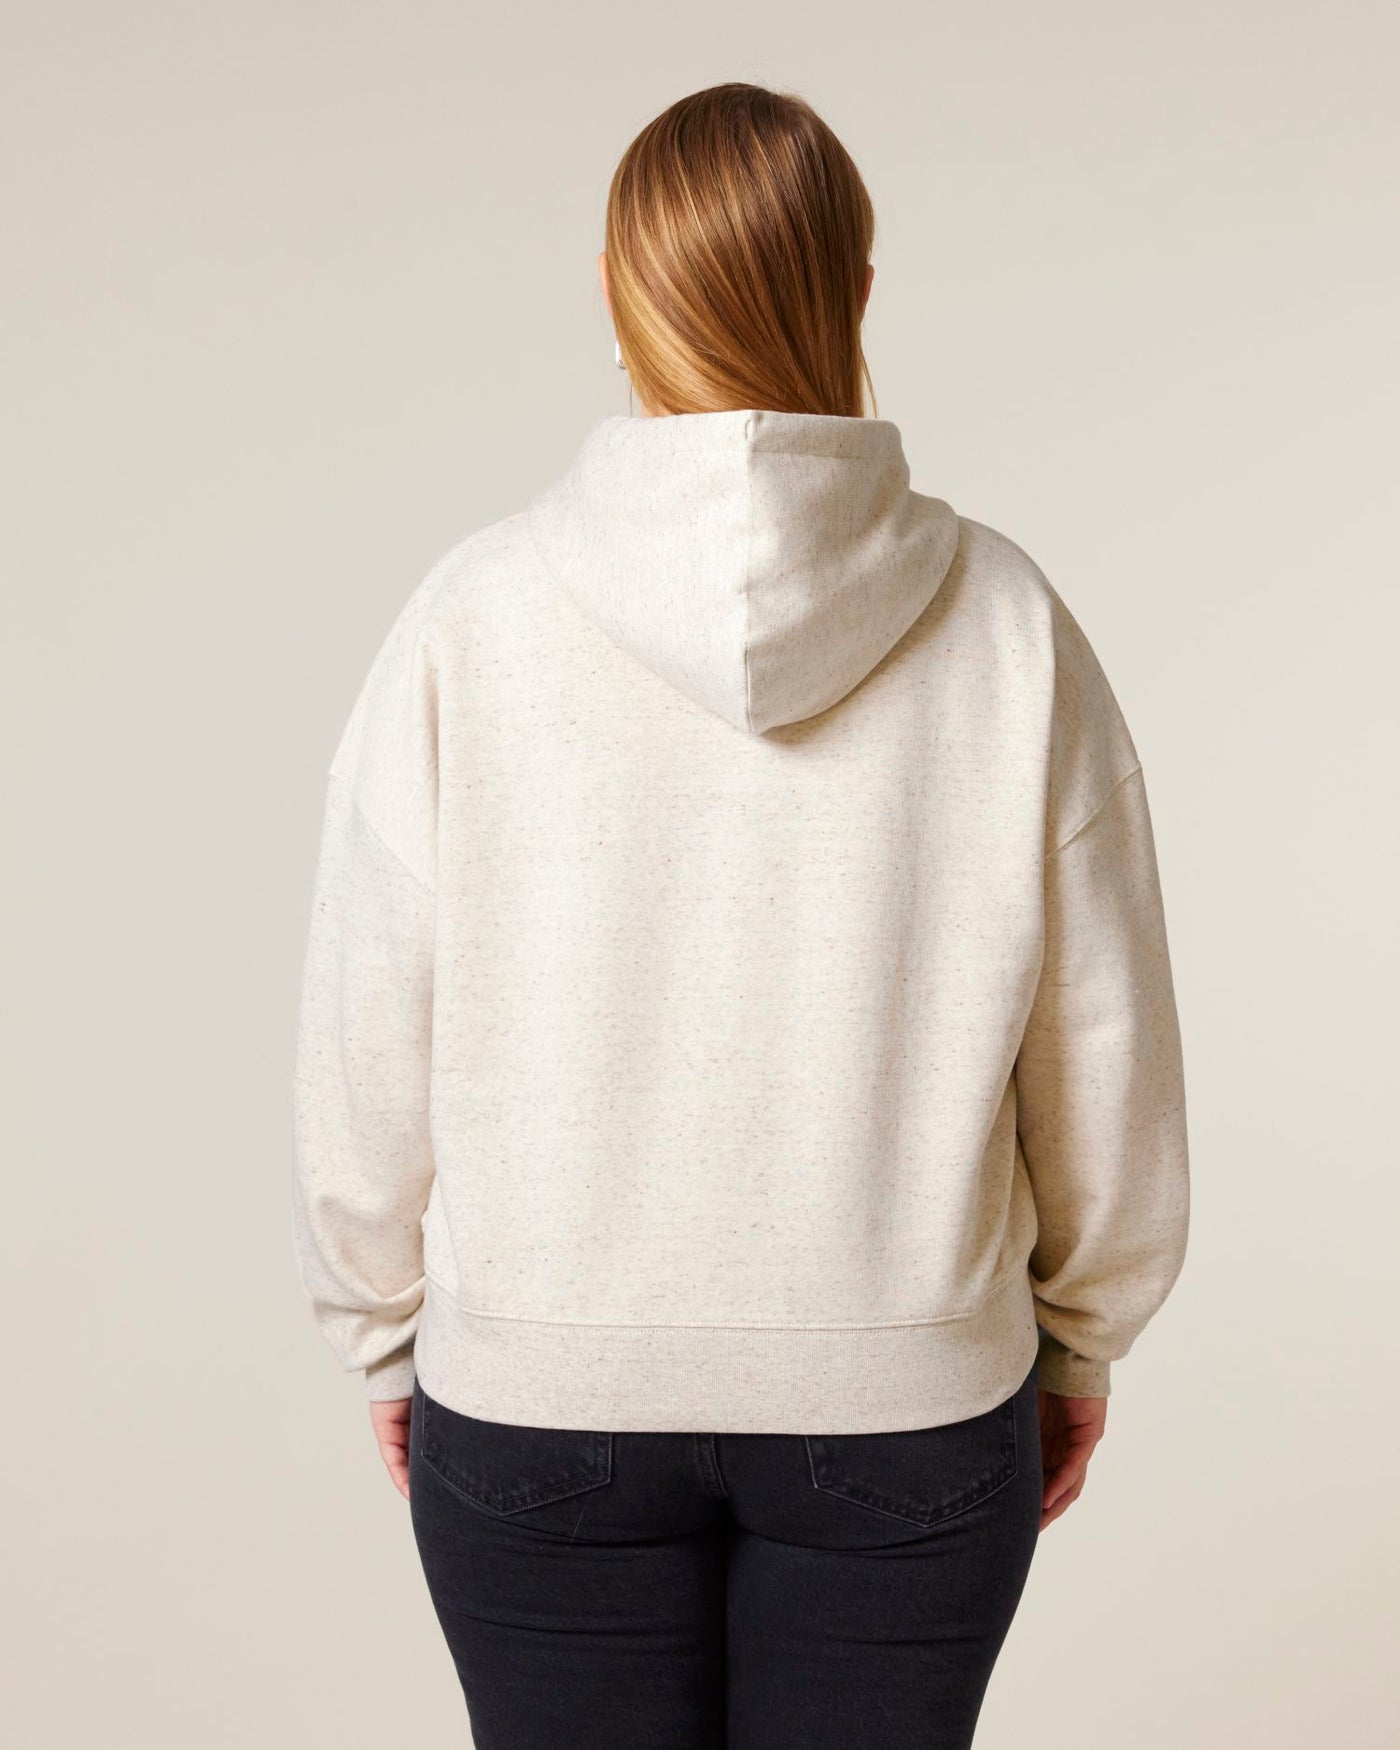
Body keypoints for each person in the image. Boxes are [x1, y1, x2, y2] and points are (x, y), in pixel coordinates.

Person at [290, 80, 1190, 1750]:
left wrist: (380, 1329)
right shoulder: (1007, 623)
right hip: (909, 1400)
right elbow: (1104, 1036)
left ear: (618, 300)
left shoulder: (472, 616)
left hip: (542, 1398)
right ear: (858, 293)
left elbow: (368, 1015)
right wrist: (1083, 1337)